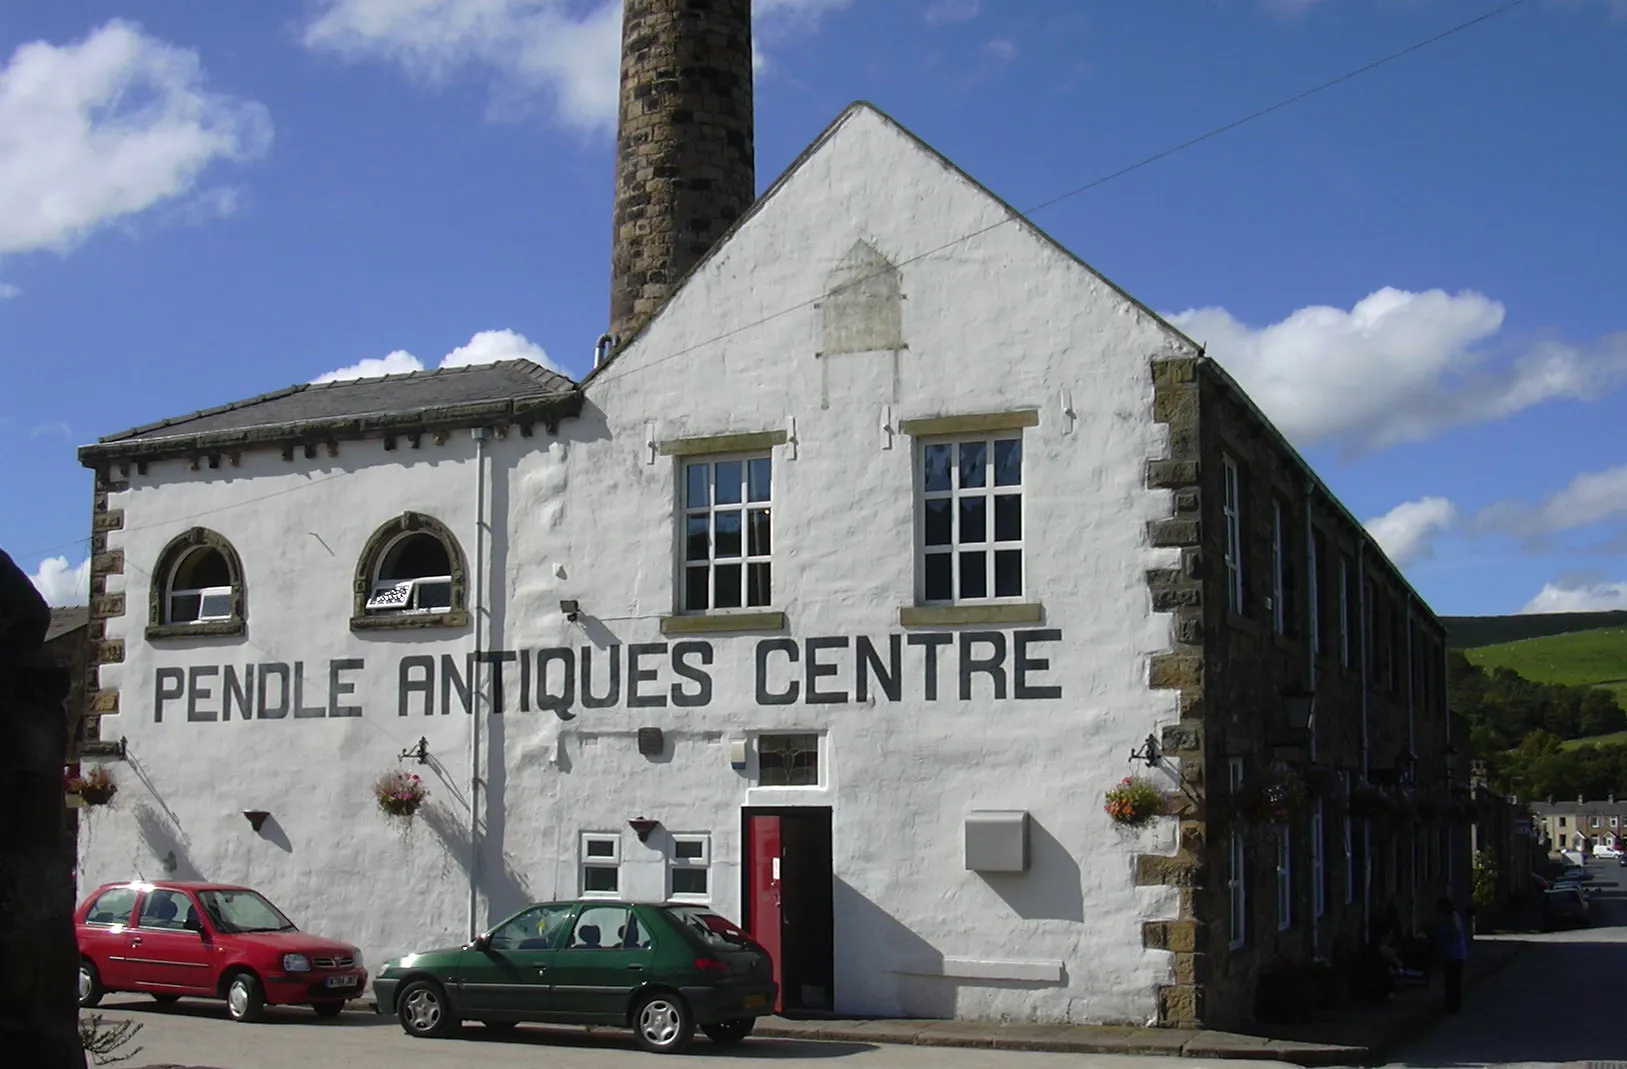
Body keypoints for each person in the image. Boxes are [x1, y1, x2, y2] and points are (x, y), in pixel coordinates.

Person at [1434, 896, 1469, 1013]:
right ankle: (1450, 1004)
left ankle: (1454, 1005)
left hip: (1455, 954)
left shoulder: (1453, 918)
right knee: (1450, 980)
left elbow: (1455, 934)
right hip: (1450, 954)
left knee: (1453, 980)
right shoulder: (1446, 918)